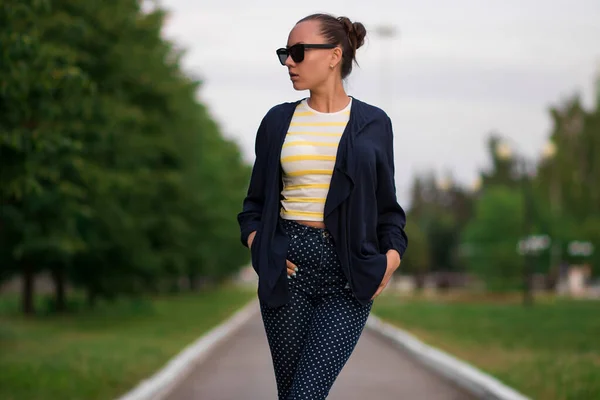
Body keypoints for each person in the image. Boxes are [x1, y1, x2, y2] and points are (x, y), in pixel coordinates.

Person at [237, 12, 408, 400]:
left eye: (298, 52)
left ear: (334, 56)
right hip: (288, 270)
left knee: (304, 395)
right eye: (285, 54)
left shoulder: (374, 124)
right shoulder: (277, 122)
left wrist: (390, 260)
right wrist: (261, 248)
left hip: (349, 276)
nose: (289, 63)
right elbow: (253, 206)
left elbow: (388, 211)